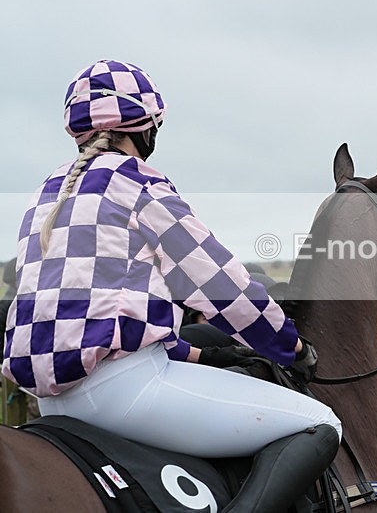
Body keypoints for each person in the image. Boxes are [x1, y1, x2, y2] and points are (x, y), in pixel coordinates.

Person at [1, 60, 341, 511]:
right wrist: (291, 348)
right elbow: (219, 283)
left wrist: (201, 354)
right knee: (320, 424)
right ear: (145, 126)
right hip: (121, 393)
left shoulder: (46, 191)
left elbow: (99, 319)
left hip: (52, 405)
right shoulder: (138, 181)